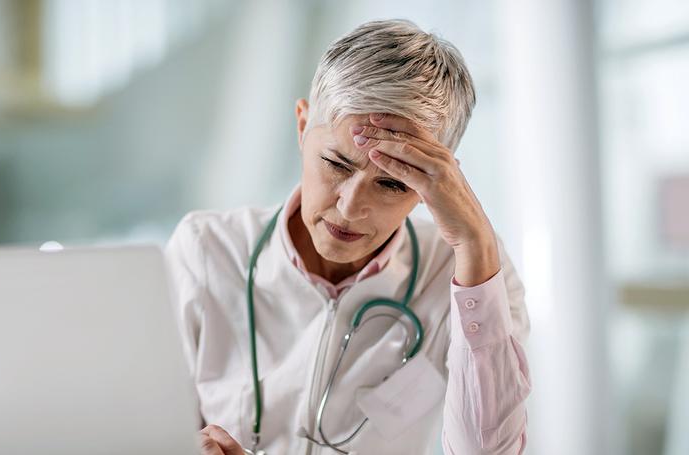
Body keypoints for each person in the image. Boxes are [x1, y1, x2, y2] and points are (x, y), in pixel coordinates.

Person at [165, 19, 531, 455]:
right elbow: (136, 429)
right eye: (337, 163)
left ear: (439, 182)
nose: (350, 207)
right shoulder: (206, 250)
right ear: (302, 127)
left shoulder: (469, 274)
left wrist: (474, 247)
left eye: (394, 183)